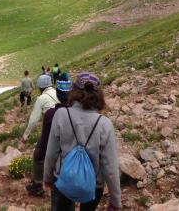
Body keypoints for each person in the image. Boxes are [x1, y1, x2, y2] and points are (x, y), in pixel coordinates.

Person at [43, 72, 121, 211]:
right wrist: (115, 200)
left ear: (73, 91)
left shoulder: (61, 115)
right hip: (93, 184)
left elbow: (51, 153)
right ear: (98, 96)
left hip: (63, 178)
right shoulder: (104, 124)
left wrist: (47, 178)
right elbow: (110, 167)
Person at [26, 76, 72, 196]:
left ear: (41, 87)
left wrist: (25, 136)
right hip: (70, 135)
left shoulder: (42, 100)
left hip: (53, 131)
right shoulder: (63, 98)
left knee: (38, 154)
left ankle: (38, 185)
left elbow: (34, 120)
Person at [22, 74, 58, 143]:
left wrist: (25, 135)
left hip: (53, 128)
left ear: (40, 88)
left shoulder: (40, 99)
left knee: (41, 150)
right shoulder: (58, 92)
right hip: (66, 124)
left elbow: (34, 120)